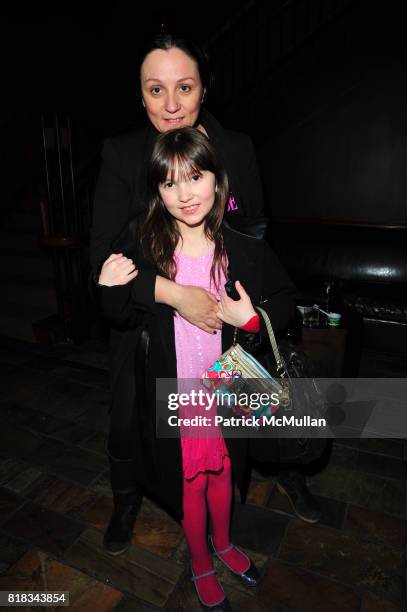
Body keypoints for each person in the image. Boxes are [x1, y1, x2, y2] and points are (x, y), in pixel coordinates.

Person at [90, 32, 321, 560]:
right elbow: (102, 260)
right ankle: (127, 498)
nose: (171, 104)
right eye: (155, 90)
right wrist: (175, 293)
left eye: (184, 87)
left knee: (257, 408)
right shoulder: (124, 155)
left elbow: (255, 231)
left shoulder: (234, 147)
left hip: (229, 321)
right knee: (129, 416)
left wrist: (242, 301)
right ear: (141, 95)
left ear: (203, 90)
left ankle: (288, 465)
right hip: (151, 320)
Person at [95, 127, 296, 610]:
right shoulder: (146, 244)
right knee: (191, 480)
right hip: (178, 388)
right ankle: (201, 560)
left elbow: (286, 303)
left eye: (195, 177)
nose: (184, 194)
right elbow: (117, 314)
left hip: (228, 384)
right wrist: (107, 287)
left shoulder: (244, 246)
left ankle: (224, 543)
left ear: (217, 178)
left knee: (225, 472)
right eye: (169, 183)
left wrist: (249, 318)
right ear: (156, 191)